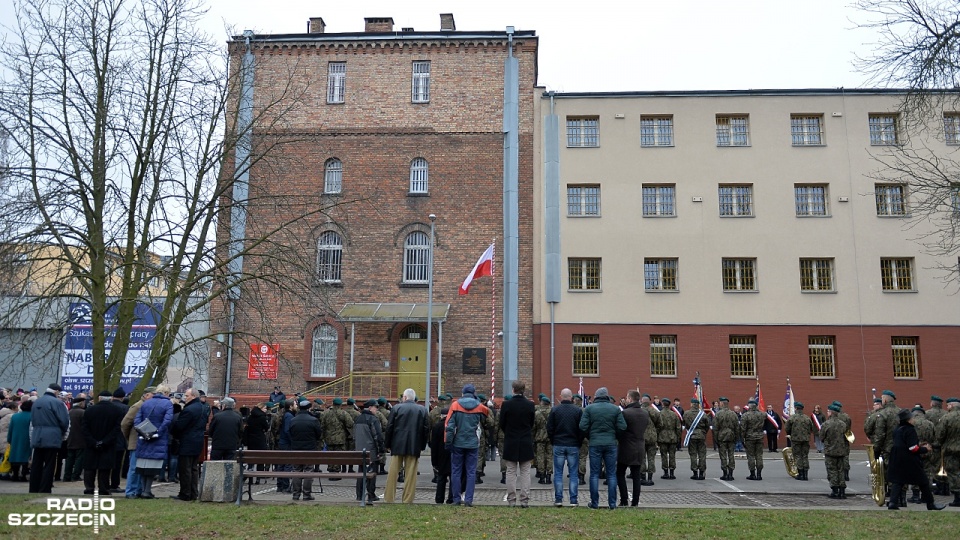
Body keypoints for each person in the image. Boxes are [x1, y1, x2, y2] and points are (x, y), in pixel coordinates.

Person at [886, 409, 945, 510]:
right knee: (923, 482)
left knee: (898, 482)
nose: (913, 419)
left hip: (897, 458)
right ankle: (930, 504)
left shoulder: (897, 429)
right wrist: (925, 449)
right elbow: (913, 448)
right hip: (910, 461)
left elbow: (902, 444)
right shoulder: (910, 430)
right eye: (912, 418)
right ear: (908, 420)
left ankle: (893, 502)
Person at [579, 387, 626, 510]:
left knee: (594, 474)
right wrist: (614, 436)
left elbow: (582, 426)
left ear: (596, 396)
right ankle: (612, 504)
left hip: (595, 443)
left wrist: (590, 436)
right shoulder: (615, 409)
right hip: (611, 443)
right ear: (607, 396)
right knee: (611, 474)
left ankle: (594, 503)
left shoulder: (589, 409)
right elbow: (622, 426)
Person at [444, 384, 489, 506]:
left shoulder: (455, 405)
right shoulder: (479, 407)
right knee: (471, 472)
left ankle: (456, 499)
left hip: (458, 443)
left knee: (456, 471)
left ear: (463, 393)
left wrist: (448, 443)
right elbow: (489, 420)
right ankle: (469, 499)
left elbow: (449, 426)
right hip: (473, 443)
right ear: (474, 393)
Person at [385, 388, 429, 504]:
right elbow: (426, 430)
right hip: (414, 445)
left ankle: (389, 498)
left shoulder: (396, 408)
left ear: (404, 397)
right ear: (414, 398)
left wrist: (388, 444)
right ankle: (408, 499)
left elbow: (390, 427)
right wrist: (422, 445)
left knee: (393, 472)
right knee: (411, 474)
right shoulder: (422, 410)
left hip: (397, 444)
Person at [81, 391, 126, 496]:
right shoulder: (117, 411)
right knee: (105, 468)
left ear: (99, 398)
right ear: (110, 399)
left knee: (90, 467)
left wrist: (92, 441)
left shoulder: (90, 410)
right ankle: (104, 489)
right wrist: (105, 441)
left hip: (91, 443)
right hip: (108, 444)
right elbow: (117, 429)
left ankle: (89, 488)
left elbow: (84, 428)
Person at [29, 383, 70, 493]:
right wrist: (62, 434)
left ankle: (33, 488)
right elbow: (64, 421)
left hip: (37, 435)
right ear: (56, 392)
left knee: (36, 463)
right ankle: (45, 488)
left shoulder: (37, 402)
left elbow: (32, 420)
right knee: (49, 464)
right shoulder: (58, 403)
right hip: (52, 436)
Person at [499, 381, 535, 507]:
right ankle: (524, 500)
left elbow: (501, 423)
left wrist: (509, 432)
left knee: (510, 472)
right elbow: (531, 423)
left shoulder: (506, 404)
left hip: (511, 440)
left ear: (513, 390)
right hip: (525, 440)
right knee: (525, 472)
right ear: (523, 390)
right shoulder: (530, 405)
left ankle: (511, 500)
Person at [134, 385, 173, 499]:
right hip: (158, 439)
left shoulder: (146, 403)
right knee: (153, 466)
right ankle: (147, 491)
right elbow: (167, 421)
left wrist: (143, 432)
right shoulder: (168, 404)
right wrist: (157, 433)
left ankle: (143, 490)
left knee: (143, 466)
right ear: (166, 392)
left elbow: (137, 419)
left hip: (143, 438)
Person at [547, 387, 582, 507]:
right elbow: (581, 429)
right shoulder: (577, 411)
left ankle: (558, 499)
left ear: (561, 397)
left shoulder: (555, 410)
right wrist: (579, 441)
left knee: (558, 473)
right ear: (571, 397)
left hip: (558, 444)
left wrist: (553, 441)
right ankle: (573, 500)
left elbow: (549, 428)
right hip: (573, 444)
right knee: (573, 473)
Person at [170, 388, 206, 501]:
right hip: (198, 441)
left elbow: (179, 426)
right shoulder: (203, 408)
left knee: (185, 468)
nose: (185, 397)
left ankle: (185, 493)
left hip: (187, 441)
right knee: (193, 469)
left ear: (193, 396)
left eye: (187, 396)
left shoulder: (189, 410)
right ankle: (193, 492)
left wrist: (173, 429)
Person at [616, 390, 648, 507]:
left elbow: (620, 430)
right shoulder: (645, 413)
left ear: (630, 399)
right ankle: (635, 502)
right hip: (639, 446)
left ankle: (624, 499)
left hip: (626, 446)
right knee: (636, 476)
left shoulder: (625, 413)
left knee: (620, 473)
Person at [120, 388, 153, 498]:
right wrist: (129, 438)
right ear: (147, 395)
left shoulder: (147, 406)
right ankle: (131, 491)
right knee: (134, 468)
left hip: (142, 441)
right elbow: (125, 423)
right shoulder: (137, 406)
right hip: (136, 441)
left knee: (141, 468)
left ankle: (138, 490)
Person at [289, 398, 322, 501]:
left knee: (296, 470)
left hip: (296, 449)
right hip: (310, 449)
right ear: (309, 409)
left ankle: (296, 494)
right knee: (308, 470)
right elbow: (319, 435)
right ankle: (307, 494)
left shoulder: (293, 420)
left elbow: (290, 434)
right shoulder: (313, 420)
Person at [353, 399, 384, 504]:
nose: (377, 410)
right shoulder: (373, 419)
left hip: (359, 451)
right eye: (376, 407)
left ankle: (359, 494)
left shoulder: (358, 418)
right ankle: (371, 495)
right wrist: (381, 450)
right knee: (372, 473)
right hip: (371, 451)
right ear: (370, 407)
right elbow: (378, 436)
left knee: (361, 472)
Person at [820, 403, 850, 499]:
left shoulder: (826, 424)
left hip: (830, 451)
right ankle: (842, 491)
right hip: (841, 451)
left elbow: (821, 437)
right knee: (840, 471)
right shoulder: (843, 424)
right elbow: (849, 437)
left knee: (832, 470)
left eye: (828, 411)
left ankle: (835, 490)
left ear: (831, 412)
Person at [934, 397, 960, 506]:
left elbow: (940, 435)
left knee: (954, 473)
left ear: (951, 406)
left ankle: (958, 498)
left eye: (948, 405)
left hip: (951, 450)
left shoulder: (947, 417)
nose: (947, 407)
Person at [784, 401, 813, 481]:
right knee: (805, 456)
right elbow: (812, 428)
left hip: (796, 440)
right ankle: (805, 474)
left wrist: (790, 433)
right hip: (806, 440)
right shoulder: (807, 418)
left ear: (796, 408)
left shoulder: (792, 418)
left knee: (797, 456)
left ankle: (800, 474)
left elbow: (787, 428)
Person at [713, 397, 741, 481]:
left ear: (721, 404)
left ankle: (725, 473)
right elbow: (737, 427)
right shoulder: (733, 414)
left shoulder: (718, 414)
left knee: (723, 455)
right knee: (731, 455)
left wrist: (716, 439)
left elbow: (716, 428)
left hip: (722, 436)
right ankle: (731, 474)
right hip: (731, 436)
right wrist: (736, 437)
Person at [429, 405, 452, 504]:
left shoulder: (437, 426)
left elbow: (433, 445)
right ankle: (451, 498)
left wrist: (434, 461)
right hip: (451, 454)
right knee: (453, 478)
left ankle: (439, 498)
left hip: (440, 455)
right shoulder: (453, 425)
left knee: (441, 478)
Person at [683, 398, 710, 480]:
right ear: (698, 405)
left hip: (692, 435)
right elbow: (707, 425)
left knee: (693, 454)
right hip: (701, 435)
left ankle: (695, 473)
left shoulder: (686, 413)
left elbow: (685, 424)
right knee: (702, 455)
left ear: (691, 404)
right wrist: (703, 432)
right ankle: (701, 473)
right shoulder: (703, 414)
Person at [244, 402, 271, 483]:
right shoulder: (262, 417)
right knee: (260, 458)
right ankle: (259, 478)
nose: (266, 410)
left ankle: (250, 478)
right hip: (260, 439)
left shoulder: (250, 417)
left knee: (251, 459)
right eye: (265, 408)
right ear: (261, 408)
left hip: (251, 440)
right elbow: (266, 428)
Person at [6, 400, 32, 482]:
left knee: (15, 456)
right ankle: (24, 475)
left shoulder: (15, 416)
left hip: (15, 439)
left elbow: (10, 429)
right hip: (27, 439)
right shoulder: (32, 416)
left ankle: (15, 474)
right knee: (25, 458)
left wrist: (9, 439)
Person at [741, 399, 766, 480]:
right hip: (759, 436)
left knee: (751, 456)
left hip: (750, 437)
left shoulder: (746, 415)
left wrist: (742, 438)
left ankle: (752, 474)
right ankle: (759, 474)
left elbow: (743, 428)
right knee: (759, 455)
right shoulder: (762, 414)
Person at [658, 398, 682, 479]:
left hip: (662, 437)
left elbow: (658, 426)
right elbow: (678, 427)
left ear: (663, 404)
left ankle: (665, 472)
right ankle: (672, 473)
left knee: (664, 455)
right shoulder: (674, 414)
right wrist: (678, 437)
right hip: (672, 437)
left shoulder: (660, 414)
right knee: (672, 455)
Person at [639, 394, 661, 486]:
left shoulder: (638, 411)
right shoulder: (654, 411)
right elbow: (660, 424)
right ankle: (650, 478)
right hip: (652, 438)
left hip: (640, 437)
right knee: (651, 458)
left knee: (642, 458)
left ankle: (643, 477)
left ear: (642, 401)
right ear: (649, 401)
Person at [64, 397, 86, 482]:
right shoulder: (83, 413)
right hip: (80, 439)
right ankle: (76, 475)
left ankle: (67, 475)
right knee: (79, 458)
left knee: (69, 458)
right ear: (81, 403)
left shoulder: (69, 412)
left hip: (70, 438)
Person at [533, 395, 553, 484]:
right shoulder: (553, 412)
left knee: (540, 456)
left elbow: (533, 427)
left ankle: (541, 476)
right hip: (550, 437)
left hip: (540, 437)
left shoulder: (537, 413)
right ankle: (549, 476)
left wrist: (533, 437)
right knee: (549, 456)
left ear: (542, 403)